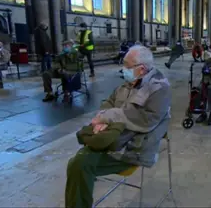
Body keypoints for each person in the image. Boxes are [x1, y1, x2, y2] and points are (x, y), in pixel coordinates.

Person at [65, 45, 171, 208]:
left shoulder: (159, 88)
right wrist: (101, 119)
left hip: (132, 148)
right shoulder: (129, 83)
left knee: (80, 164)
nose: (123, 69)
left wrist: (110, 117)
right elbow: (108, 102)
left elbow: (147, 119)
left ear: (141, 69)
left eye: (127, 66)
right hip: (110, 139)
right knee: (79, 161)